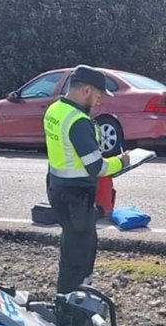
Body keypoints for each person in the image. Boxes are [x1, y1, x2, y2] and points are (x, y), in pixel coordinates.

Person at [44, 65, 129, 293]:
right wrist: (123, 162)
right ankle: (73, 310)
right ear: (87, 91)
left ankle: (68, 299)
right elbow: (96, 167)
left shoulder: (55, 110)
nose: (100, 102)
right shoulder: (78, 121)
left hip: (57, 188)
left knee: (70, 250)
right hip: (76, 198)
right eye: (99, 96)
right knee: (80, 258)